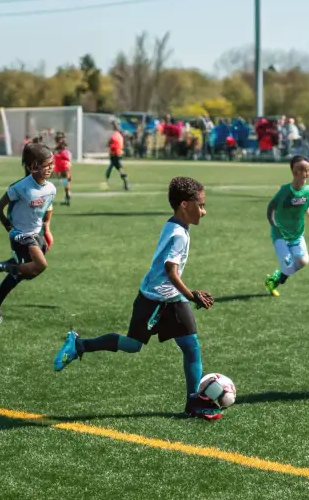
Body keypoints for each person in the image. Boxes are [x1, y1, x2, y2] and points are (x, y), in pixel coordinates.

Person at [53, 175, 220, 419]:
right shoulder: (179, 234)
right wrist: (192, 294)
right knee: (133, 345)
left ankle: (193, 403)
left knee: (191, 346)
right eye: (201, 205)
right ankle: (79, 345)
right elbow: (170, 271)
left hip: (171, 298)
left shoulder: (176, 224)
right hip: (153, 300)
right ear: (185, 204)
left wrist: (184, 296)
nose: (204, 211)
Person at [0, 141, 56, 325]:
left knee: (25, 274)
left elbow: (48, 208)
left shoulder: (51, 188)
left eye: (51, 164)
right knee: (41, 264)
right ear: (33, 167)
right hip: (20, 235)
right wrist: (10, 229)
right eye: (47, 165)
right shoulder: (20, 188)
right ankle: (9, 267)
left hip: (35, 234)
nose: (51, 168)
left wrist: (47, 228)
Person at [264, 156, 309, 296]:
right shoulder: (285, 191)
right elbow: (271, 207)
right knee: (289, 265)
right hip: (280, 234)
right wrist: (273, 224)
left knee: (303, 261)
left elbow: (305, 207)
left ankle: (274, 278)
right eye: (304, 170)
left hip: (297, 233)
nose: (307, 174)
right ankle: (276, 279)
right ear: (294, 172)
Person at [106, 122, 130, 190]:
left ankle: (126, 184)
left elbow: (109, 144)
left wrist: (109, 145)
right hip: (118, 154)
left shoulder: (114, 136)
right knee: (115, 168)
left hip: (114, 155)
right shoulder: (119, 135)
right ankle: (126, 184)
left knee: (118, 169)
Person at [53, 132, 73, 206]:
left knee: (65, 181)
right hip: (61, 165)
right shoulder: (60, 146)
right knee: (64, 181)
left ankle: (67, 196)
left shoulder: (62, 146)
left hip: (63, 165)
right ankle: (67, 195)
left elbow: (62, 151)